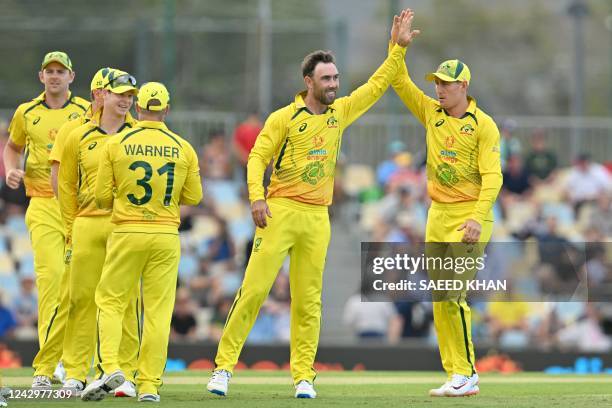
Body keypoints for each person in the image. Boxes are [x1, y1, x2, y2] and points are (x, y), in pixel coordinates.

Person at [206, 10, 416, 399]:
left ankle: (304, 376)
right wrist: (256, 196)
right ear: (308, 81)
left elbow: (377, 84)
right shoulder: (284, 118)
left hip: (318, 217)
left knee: (308, 301)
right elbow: (256, 157)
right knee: (253, 291)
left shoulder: (340, 113)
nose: (334, 84)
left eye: (335, 78)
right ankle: (222, 368)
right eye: (327, 79)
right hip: (280, 210)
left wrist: (397, 49)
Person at [389, 9, 502, 397]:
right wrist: (397, 47)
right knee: (440, 297)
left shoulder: (483, 124)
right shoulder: (431, 112)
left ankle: (468, 373)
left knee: (453, 293)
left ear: (464, 85)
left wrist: (476, 217)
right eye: (437, 82)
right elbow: (399, 82)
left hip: (471, 215)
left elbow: (494, 177)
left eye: (447, 84)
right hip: (437, 213)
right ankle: (456, 373)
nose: (439, 89)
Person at [81, 82, 202, 402]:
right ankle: (149, 385)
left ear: (137, 108)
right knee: (159, 313)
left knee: (110, 301)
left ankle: (111, 367)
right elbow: (194, 196)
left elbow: (102, 197)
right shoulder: (184, 147)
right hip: (165, 234)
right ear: (166, 109)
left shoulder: (117, 143)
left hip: (126, 231)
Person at [4, 51, 89, 388]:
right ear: (41, 77)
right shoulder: (27, 112)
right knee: (51, 281)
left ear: (71, 76)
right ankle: (50, 363)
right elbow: (12, 146)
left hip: (79, 205)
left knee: (79, 285)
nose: (55, 76)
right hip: (41, 202)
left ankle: (76, 362)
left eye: (61, 71)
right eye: (49, 71)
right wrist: (11, 168)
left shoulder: (84, 111)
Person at [58, 70, 141, 397]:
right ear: (102, 95)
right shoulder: (78, 134)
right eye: (119, 93)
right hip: (88, 222)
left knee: (127, 301)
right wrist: (69, 229)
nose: (125, 100)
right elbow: (65, 187)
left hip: (126, 226)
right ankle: (75, 372)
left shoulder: (139, 134)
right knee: (80, 299)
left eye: (130, 96)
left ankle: (123, 373)